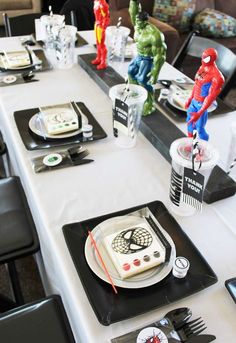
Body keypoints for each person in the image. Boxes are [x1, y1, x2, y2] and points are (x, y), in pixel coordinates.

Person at [128, 0, 166, 115]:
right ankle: (136, 95)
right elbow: (133, 10)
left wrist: (155, 72)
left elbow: (160, 55)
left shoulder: (154, 35)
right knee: (131, 71)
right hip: (139, 56)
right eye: (136, 21)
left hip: (148, 59)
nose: (137, 24)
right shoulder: (137, 24)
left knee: (143, 80)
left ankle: (149, 104)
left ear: (145, 22)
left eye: (139, 22)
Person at [185, 48, 225, 141]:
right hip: (194, 101)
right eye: (203, 57)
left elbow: (211, 96)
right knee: (189, 124)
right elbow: (196, 83)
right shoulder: (202, 67)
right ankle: (191, 144)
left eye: (206, 58)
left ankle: (203, 148)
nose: (203, 59)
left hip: (201, 105)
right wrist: (190, 98)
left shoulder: (217, 77)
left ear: (212, 58)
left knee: (200, 129)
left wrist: (200, 112)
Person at [91, 0, 110, 70]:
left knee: (101, 44)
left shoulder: (103, 4)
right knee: (98, 43)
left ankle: (103, 62)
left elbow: (106, 18)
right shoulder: (96, 2)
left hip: (101, 26)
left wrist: (103, 26)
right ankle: (98, 58)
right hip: (97, 24)